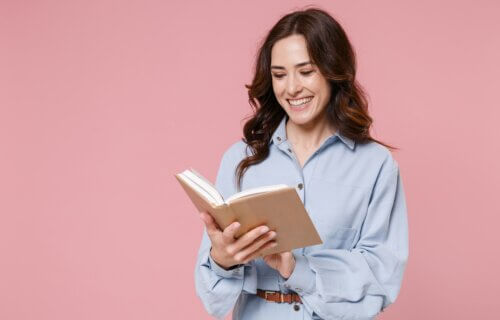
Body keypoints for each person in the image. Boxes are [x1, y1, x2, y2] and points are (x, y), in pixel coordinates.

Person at [194, 7, 409, 320]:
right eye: (279, 75)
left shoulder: (376, 166)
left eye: (306, 72)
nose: (291, 88)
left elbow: (381, 275)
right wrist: (222, 260)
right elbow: (213, 300)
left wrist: (296, 268)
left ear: (334, 72)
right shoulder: (240, 160)